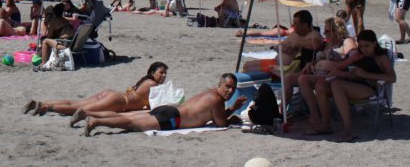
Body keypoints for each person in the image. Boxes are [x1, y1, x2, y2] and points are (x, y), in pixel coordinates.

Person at [76, 73, 246, 136]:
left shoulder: (209, 92)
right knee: (131, 123)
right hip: (173, 118)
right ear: (219, 85)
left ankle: (87, 113)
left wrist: (230, 108)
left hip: (169, 109)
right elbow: (221, 122)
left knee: (125, 117)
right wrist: (233, 109)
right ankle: (95, 121)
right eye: (227, 87)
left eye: (233, 88)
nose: (230, 91)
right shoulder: (217, 100)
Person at [302, 30, 396, 142]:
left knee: (337, 85)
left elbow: (392, 78)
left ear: (375, 43)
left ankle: (348, 131)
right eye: (361, 46)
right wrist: (348, 74)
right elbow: (338, 69)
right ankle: (326, 125)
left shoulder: (381, 57)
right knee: (320, 85)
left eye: (367, 46)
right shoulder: (358, 55)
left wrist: (366, 74)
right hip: (351, 83)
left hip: (369, 88)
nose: (364, 49)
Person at [22, 62, 168, 117]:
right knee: (77, 109)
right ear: (152, 72)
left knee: (75, 103)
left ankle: (38, 103)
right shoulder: (153, 85)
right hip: (118, 101)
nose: (164, 76)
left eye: (165, 73)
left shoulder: (144, 80)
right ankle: (44, 107)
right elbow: (156, 106)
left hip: (112, 94)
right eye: (161, 72)